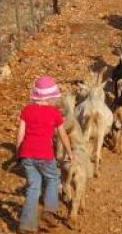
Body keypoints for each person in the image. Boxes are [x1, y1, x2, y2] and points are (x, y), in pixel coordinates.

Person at [16, 75, 74, 233]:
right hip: (45, 155)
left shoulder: (26, 110)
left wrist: (18, 154)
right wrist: (69, 152)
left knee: (33, 187)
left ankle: (26, 225)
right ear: (51, 97)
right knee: (53, 178)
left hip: (27, 155)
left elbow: (20, 135)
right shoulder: (54, 113)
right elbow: (62, 135)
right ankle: (49, 211)